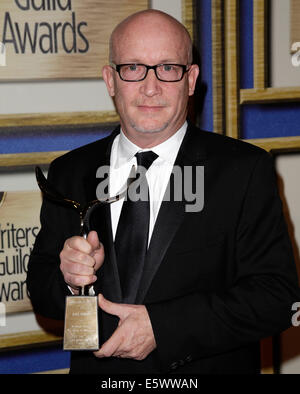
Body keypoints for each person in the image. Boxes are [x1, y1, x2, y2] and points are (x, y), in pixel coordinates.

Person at [27, 9, 299, 374]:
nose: (150, 87)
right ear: (111, 80)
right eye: (133, 68)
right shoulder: (69, 171)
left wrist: (163, 328)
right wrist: (71, 279)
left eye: (168, 68)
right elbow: (43, 291)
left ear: (191, 80)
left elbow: (277, 297)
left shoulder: (243, 171)